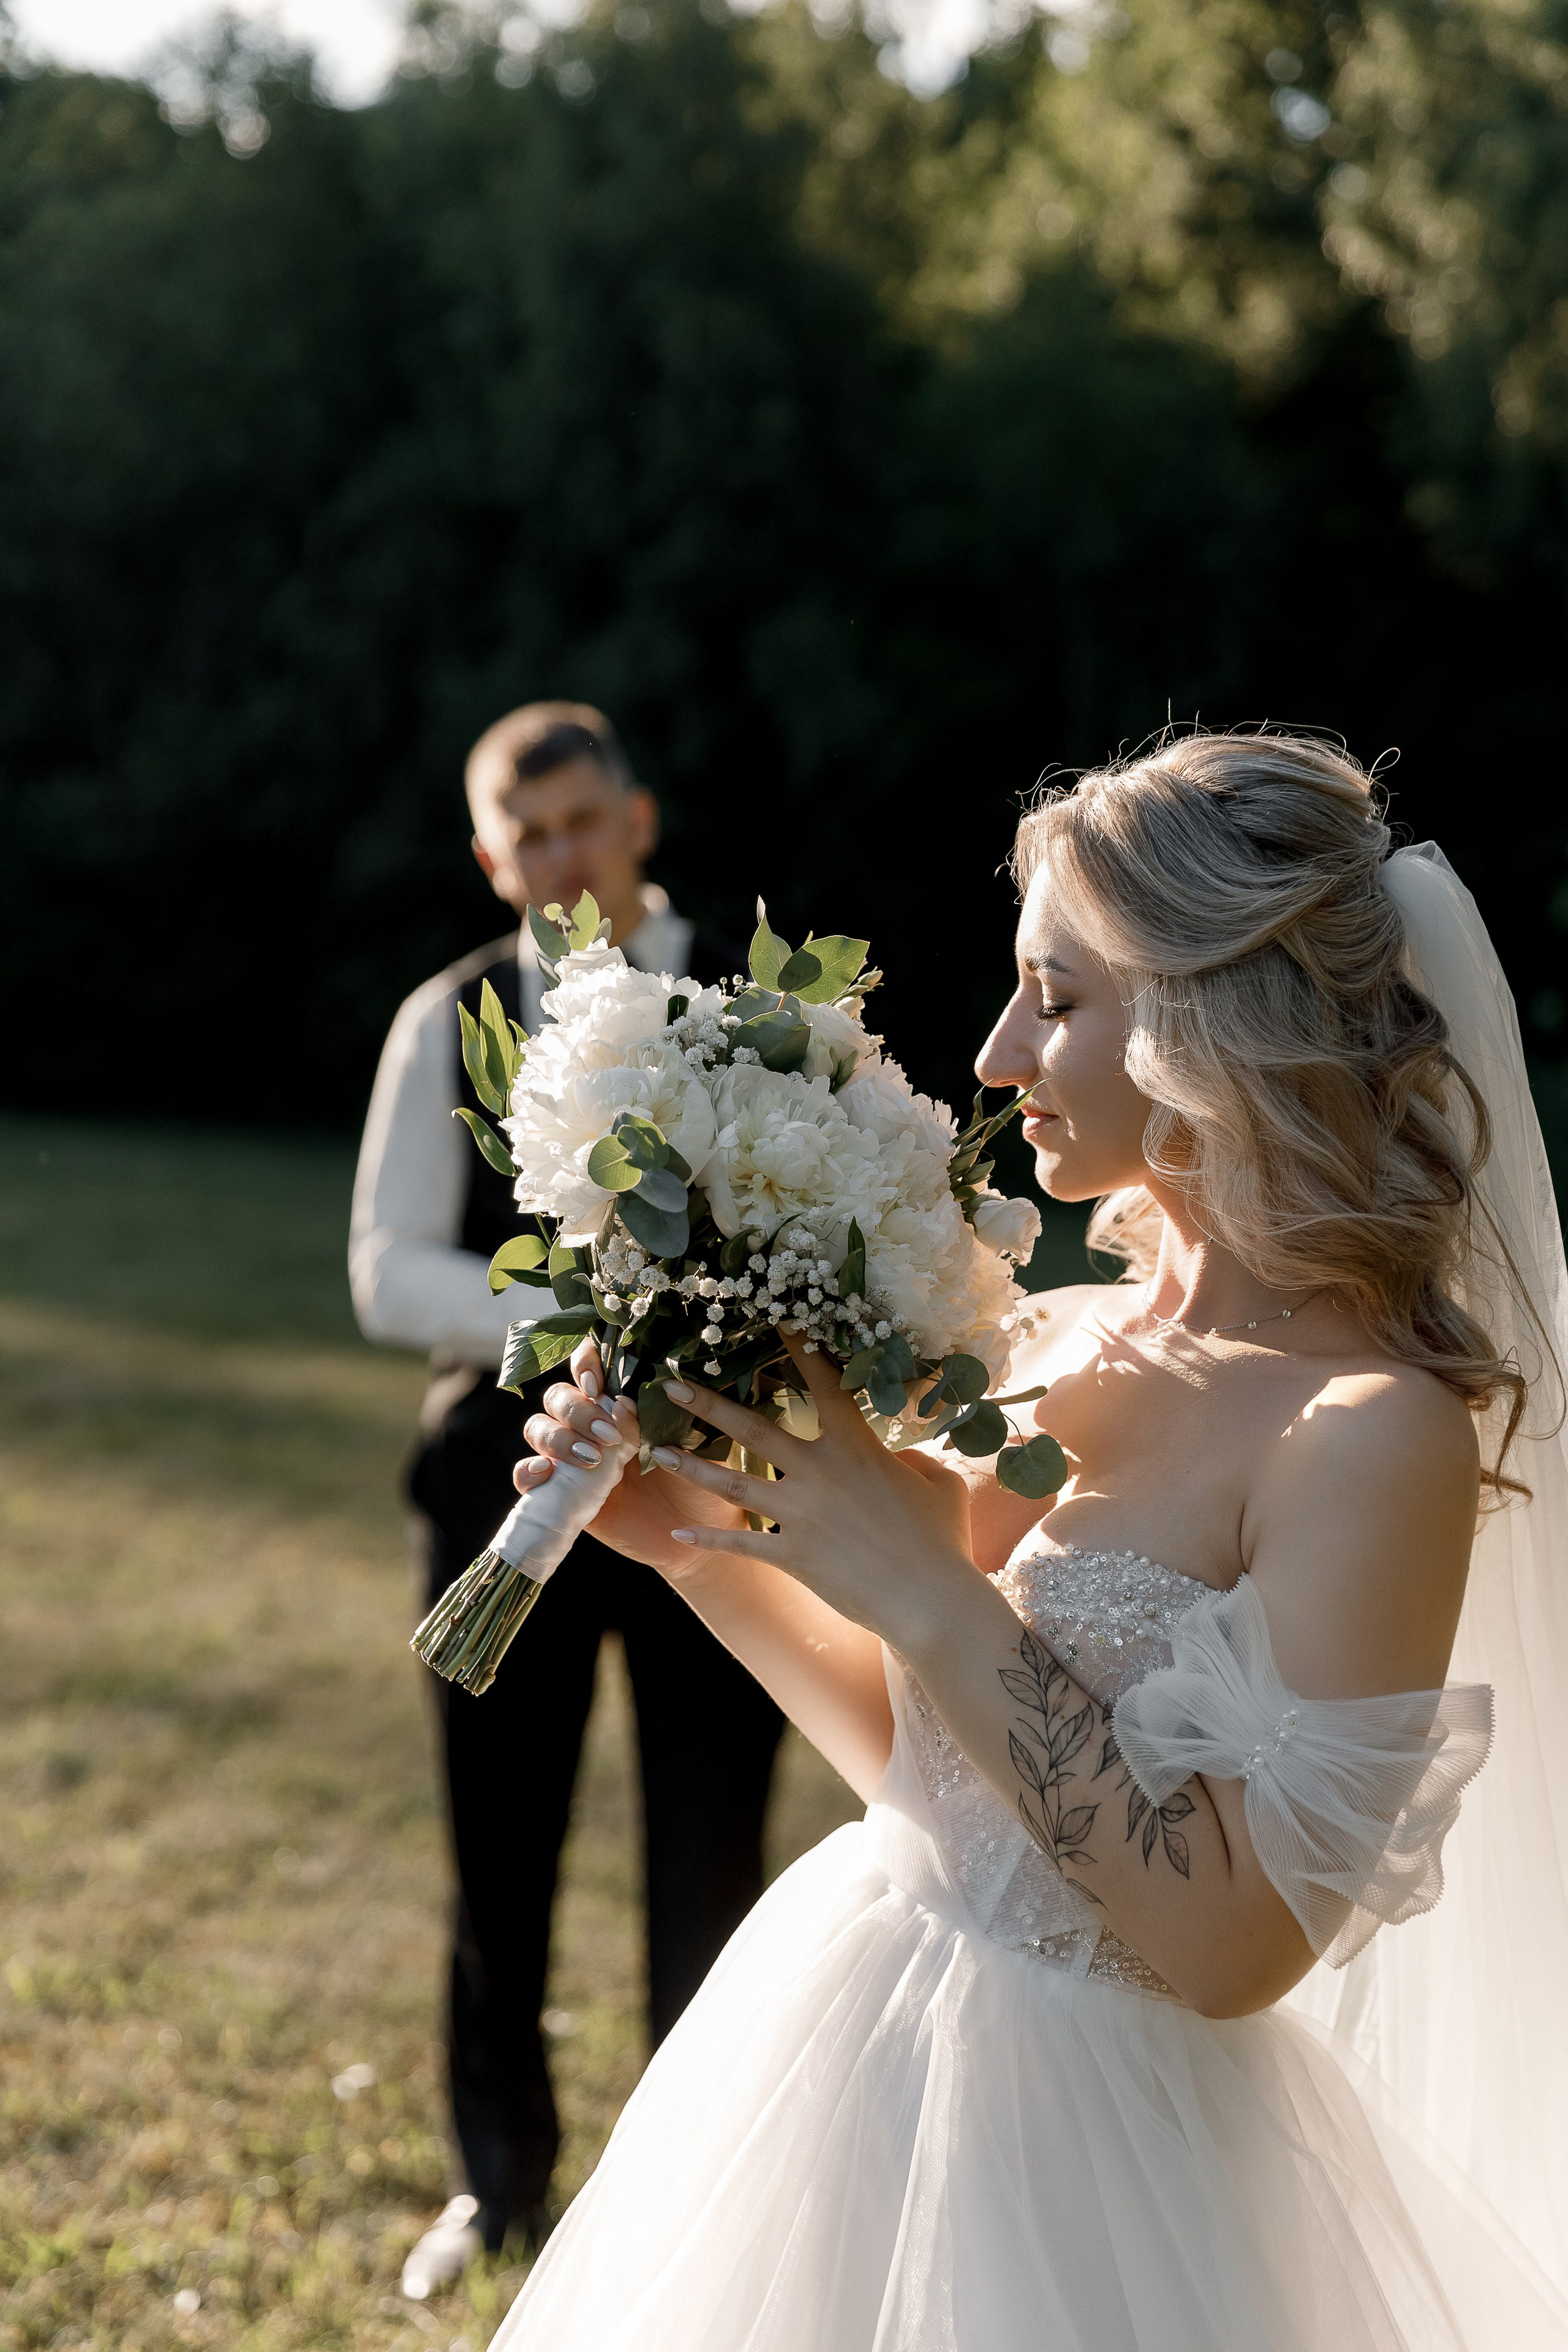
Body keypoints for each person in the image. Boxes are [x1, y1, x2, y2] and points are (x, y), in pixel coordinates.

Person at [491, 732, 1568, 2350]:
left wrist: (933, 1590)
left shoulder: (1371, 1434)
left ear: (1219, 1022)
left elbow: (1230, 1943)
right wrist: (693, 1544)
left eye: (1057, 1001)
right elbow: (933, 1773)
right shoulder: (1057, 1337)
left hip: (1094, 2161)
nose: (994, 1057)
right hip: (854, 2037)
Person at [349, 701, 783, 2293]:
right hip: (503, 1485)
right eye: (524, 836)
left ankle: (710, 2208)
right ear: (489, 853)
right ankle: (498, 2184)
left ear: (639, 818)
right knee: (500, 1850)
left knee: (711, 1859)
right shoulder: (445, 1016)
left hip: (715, 1480)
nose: (560, 858)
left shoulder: (746, 1001)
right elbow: (387, 1273)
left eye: (582, 821)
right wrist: (584, 1319)